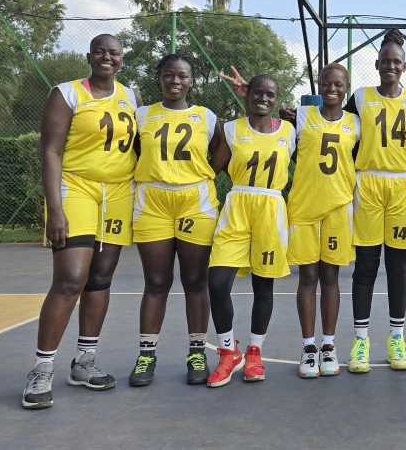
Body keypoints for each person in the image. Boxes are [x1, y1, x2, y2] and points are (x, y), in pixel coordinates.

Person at [272, 30, 406, 372]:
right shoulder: (359, 97)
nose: (391, 65)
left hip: (401, 184)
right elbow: (340, 137)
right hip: (367, 183)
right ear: (376, 64)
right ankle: (360, 341)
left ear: (404, 66)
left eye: (396, 62)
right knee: (367, 265)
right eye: (385, 61)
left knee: (398, 267)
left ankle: (397, 339)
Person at [22, 34, 140, 409]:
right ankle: (42, 369)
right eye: (101, 51)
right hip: (77, 188)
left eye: (115, 53)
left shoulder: (132, 97)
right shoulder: (67, 93)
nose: (108, 57)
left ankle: (84, 362)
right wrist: (54, 207)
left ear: (122, 59)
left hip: (119, 193)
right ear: (90, 57)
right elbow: (51, 150)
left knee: (101, 278)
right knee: (71, 279)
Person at [128, 54, 223, 388]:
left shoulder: (207, 117)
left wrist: (205, 176)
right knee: (156, 282)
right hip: (153, 200)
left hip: (194, 200)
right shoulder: (141, 115)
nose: (175, 81)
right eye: (168, 75)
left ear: (191, 81)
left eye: (182, 76)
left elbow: (222, 150)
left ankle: (197, 351)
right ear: (160, 78)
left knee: (195, 281)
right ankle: (146, 355)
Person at [204, 74, 296, 387]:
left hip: (271, 210)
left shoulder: (289, 132)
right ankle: (229, 351)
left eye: (270, 94)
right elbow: (210, 171)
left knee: (264, 288)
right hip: (237, 208)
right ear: (247, 95)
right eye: (258, 93)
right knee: (217, 283)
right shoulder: (230, 130)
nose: (264, 99)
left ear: (277, 99)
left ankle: (255, 351)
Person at [287, 64, 360, 378]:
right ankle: (308, 347)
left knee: (331, 278)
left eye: (338, 84)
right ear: (319, 85)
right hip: (304, 207)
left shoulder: (356, 123)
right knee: (307, 278)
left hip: (337, 208)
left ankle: (328, 346)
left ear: (346, 87)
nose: (332, 89)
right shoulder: (302, 117)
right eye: (327, 84)